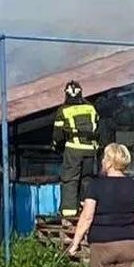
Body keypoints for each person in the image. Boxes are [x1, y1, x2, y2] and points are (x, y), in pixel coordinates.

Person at [53, 80, 100, 219]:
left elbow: (58, 134)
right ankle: (86, 209)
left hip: (73, 150)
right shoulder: (91, 108)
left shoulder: (63, 110)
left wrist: (57, 146)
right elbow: (98, 126)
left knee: (70, 179)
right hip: (90, 150)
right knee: (87, 179)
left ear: (66, 94)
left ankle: (69, 214)